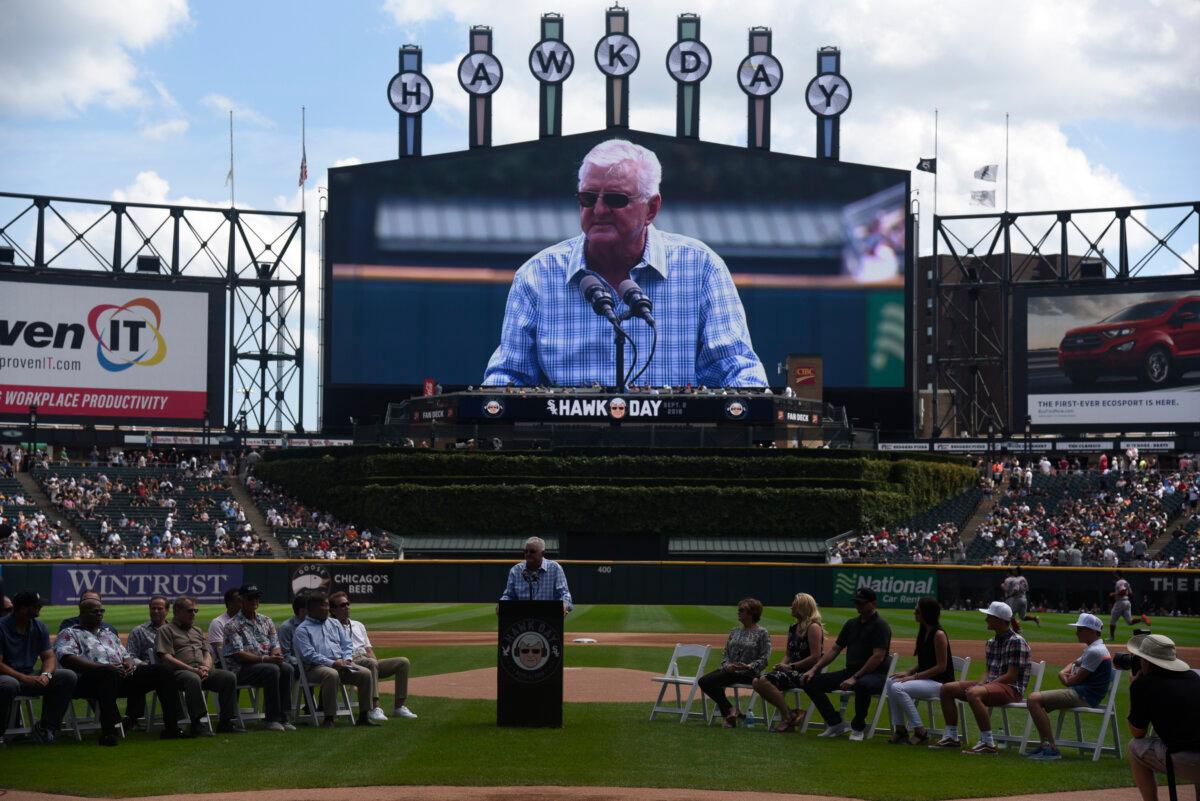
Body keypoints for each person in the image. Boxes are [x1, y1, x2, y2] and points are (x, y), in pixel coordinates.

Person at [481, 138, 767, 388]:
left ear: (651, 209)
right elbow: (508, 378)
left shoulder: (702, 268)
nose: (599, 209)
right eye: (588, 197)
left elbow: (739, 370)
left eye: (616, 199)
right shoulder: (536, 277)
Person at [55, 597, 189, 745]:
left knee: (162, 670)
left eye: (101, 611)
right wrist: (103, 667)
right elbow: (67, 658)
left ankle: (172, 727)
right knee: (109, 673)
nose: (100, 614)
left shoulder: (108, 634)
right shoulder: (70, 633)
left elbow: (126, 656)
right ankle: (109, 732)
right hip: (89, 680)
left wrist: (129, 664)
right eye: (95, 611)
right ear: (82, 613)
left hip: (119, 677)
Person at [933, 601, 1031, 755]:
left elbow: (1011, 676)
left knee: (974, 693)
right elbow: (989, 671)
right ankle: (951, 736)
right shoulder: (991, 642)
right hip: (995, 685)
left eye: (989, 617)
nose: (986, 619)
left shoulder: (1017, 642)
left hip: (1012, 689)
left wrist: (981, 687)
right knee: (946, 689)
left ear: (998, 620)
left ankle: (988, 742)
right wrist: (980, 683)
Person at [801, 587, 892, 741]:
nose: (858, 606)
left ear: (873, 604)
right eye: (856, 602)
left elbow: (878, 657)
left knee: (862, 685)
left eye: (862, 603)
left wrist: (855, 678)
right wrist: (814, 669)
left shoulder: (880, 626)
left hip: (875, 675)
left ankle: (858, 727)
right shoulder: (851, 624)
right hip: (850, 672)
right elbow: (835, 649)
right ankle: (835, 723)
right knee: (811, 682)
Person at [1025, 612, 1113, 761]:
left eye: (1080, 629)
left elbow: (1072, 681)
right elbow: (1074, 664)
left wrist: (1064, 677)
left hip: (1084, 696)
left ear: (1092, 631)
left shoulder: (1095, 651)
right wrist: (1063, 673)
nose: (1076, 632)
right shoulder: (1095, 649)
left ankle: (1050, 748)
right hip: (1083, 693)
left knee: (1034, 699)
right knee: (1035, 700)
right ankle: (1046, 745)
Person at [1125, 634, 1200, 800]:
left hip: (1187, 759)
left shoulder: (1143, 685)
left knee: (1135, 747)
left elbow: (1138, 733)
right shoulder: (1194, 678)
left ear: (1147, 661)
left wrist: (1133, 689)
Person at [154, 595, 240, 736]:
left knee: (228, 677)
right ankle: (197, 723)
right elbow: (166, 657)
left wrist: (205, 667)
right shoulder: (165, 630)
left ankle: (226, 722)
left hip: (201, 670)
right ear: (177, 611)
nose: (193, 614)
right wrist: (191, 669)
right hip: (179, 672)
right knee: (192, 678)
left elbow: (208, 653)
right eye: (190, 611)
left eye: (195, 611)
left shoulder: (197, 630)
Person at [0, 591, 78, 745]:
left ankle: (46, 728)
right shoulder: (2, 627)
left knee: (67, 676)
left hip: (30, 675)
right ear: (22, 608)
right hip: (7, 676)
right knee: (9, 684)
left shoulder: (38, 626)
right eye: (36, 606)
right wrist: (25, 678)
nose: (40, 608)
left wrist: (46, 674)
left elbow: (49, 657)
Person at [329, 591, 416, 721]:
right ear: (333, 610)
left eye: (347, 604)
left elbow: (368, 649)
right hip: (349, 662)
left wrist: (375, 662)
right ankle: (374, 708)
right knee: (371, 663)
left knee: (403, 662)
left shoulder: (358, 625)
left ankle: (399, 707)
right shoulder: (330, 627)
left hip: (365, 658)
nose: (346, 607)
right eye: (342, 605)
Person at [293, 592, 374, 727]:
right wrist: (332, 663)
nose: (328, 608)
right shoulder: (302, 630)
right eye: (325, 605)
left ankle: (364, 716)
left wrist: (347, 659)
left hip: (341, 664)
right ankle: (329, 718)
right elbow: (309, 655)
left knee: (365, 673)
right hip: (315, 668)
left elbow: (346, 644)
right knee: (331, 673)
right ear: (313, 609)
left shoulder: (334, 623)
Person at [884, 596, 956, 746]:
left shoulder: (938, 634)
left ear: (926, 613)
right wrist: (909, 672)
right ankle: (901, 729)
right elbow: (925, 662)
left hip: (941, 683)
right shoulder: (925, 631)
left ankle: (920, 731)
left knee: (898, 687)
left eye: (917, 610)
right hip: (928, 680)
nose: (914, 613)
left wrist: (914, 677)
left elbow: (941, 666)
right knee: (891, 681)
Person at [221, 584, 293, 732]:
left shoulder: (266, 620)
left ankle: (283, 717)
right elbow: (238, 654)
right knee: (271, 669)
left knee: (287, 668)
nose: (254, 600)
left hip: (265, 663)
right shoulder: (232, 625)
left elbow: (275, 643)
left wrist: (276, 654)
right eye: (250, 598)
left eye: (257, 597)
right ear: (242, 600)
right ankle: (271, 719)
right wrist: (266, 659)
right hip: (240, 669)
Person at [751, 592, 824, 733]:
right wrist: (781, 666)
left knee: (763, 681)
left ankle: (787, 718)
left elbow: (815, 657)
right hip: (791, 670)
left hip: (806, 672)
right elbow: (788, 654)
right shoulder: (793, 627)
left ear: (802, 607)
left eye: (794, 605)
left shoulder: (813, 627)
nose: (791, 607)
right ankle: (790, 714)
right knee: (756, 682)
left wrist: (790, 666)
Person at [697, 598, 771, 728]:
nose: (738, 613)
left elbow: (765, 658)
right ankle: (731, 712)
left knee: (707, 681)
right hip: (730, 671)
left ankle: (729, 713)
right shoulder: (734, 631)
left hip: (748, 674)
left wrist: (749, 666)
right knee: (704, 681)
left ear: (752, 613)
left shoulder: (762, 633)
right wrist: (727, 666)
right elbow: (725, 653)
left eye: (742, 610)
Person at [499, 537, 573, 615]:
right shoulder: (515, 570)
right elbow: (509, 595)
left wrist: (564, 605)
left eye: (532, 551)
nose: (528, 554)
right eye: (525, 551)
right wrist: (502, 604)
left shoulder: (555, 569)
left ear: (542, 553)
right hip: (522, 618)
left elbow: (564, 594)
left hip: (548, 616)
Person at [125, 595, 168, 663]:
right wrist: (143, 664)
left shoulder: (173, 630)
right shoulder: (138, 631)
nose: (156, 611)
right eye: (153, 608)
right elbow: (129, 655)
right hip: (149, 669)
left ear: (167, 611)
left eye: (159, 609)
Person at [1109, 571, 1150, 640]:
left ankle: (1111, 637)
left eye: (1115, 575)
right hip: (1127, 602)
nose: (1114, 576)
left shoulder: (1119, 582)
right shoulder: (1126, 582)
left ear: (1118, 575)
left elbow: (1123, 591)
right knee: (1129, 621)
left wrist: (1114, 594)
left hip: (1120, 602)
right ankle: (1142, 619)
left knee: (1112, 621)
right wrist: (1131, 603)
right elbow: (1130, 593)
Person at [207, 587, 242, 661]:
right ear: (229, 604)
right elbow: (220, 652)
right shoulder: (218, 622)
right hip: (230, 663)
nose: (243, 604)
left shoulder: (247, 620)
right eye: (239, 601)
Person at [278, 592, 308, 661]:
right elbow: (285, 655)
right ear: (302, 610)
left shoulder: (314, 624)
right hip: (299, 664)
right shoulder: (286, 627)